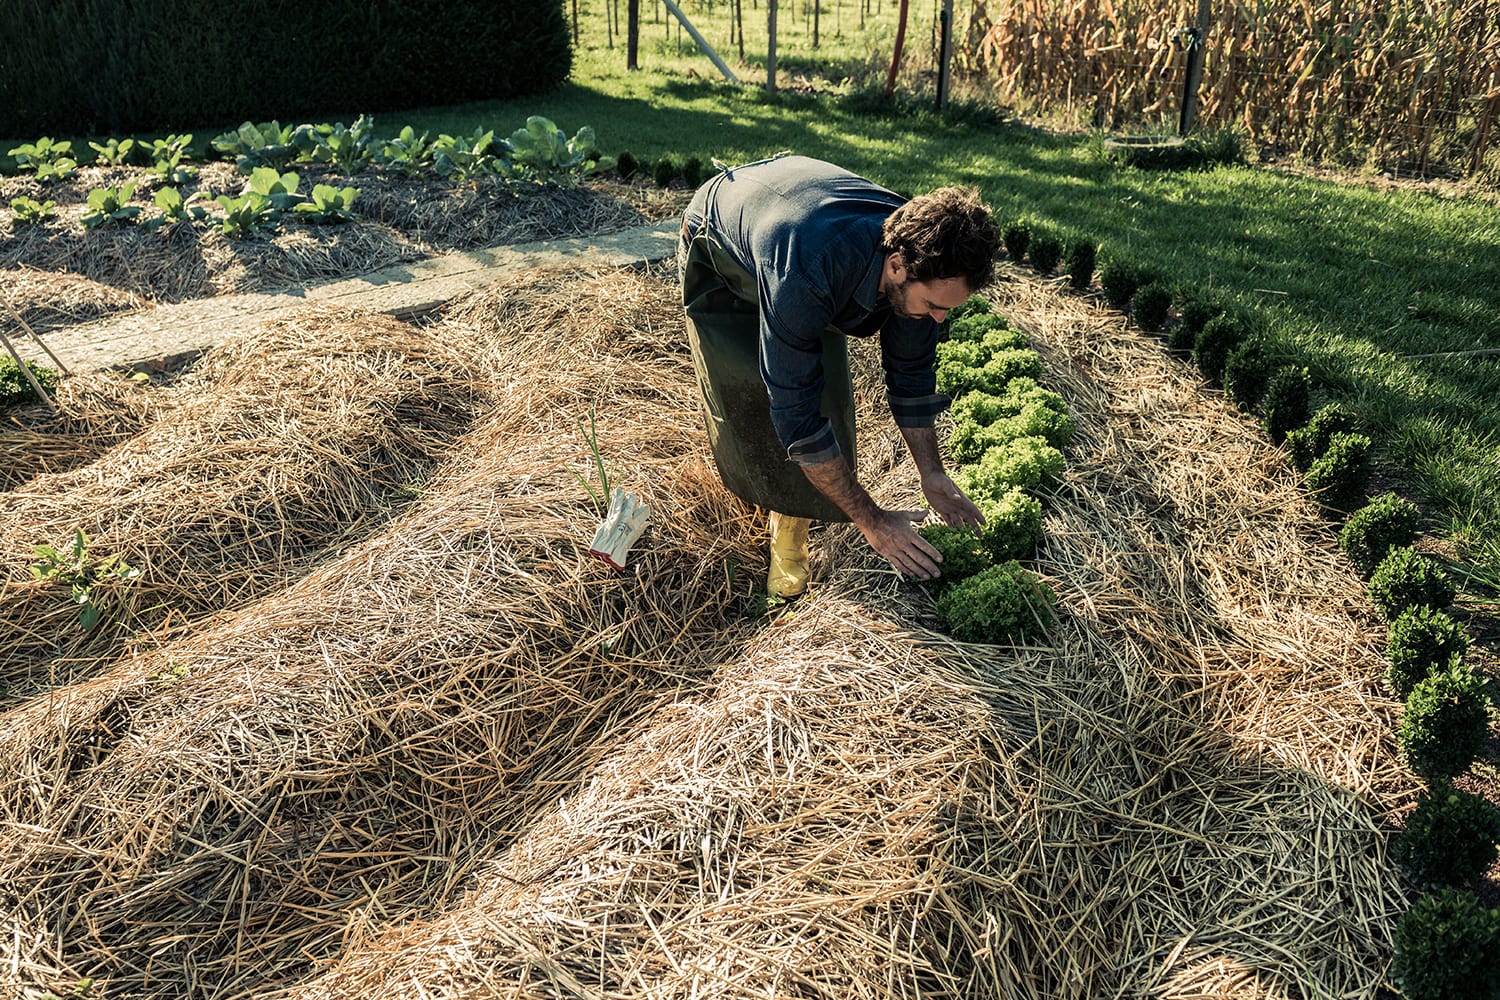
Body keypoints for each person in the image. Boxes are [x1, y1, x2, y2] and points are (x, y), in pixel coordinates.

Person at [678, 153, 1001, 598]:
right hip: (720, 244)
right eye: (934, 305)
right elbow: (797, 414)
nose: (941, 319)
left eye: (948, 307)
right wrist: (874, 521)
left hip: (797, 222)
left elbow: (910, 375)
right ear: (896, 267)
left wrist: (932, 473)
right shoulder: (809, 271)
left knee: (825, 387)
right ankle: (783, 523)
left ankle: (794, 512)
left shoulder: (922, 252)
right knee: (754, 387)